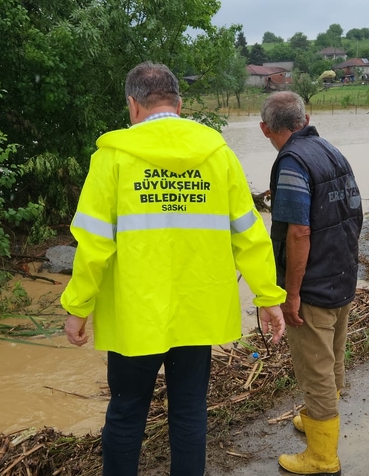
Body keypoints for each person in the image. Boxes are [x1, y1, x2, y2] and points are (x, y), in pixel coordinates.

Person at [61, 61, 286, 476]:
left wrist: (78, 307)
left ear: (133, 105)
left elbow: (93, 245)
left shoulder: (112, 159)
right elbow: (250, 235)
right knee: (188, 413)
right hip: (196, 312)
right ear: (179, 105)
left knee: (127, 413)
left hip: (135, 316)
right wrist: (269, 297)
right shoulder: (218, 155)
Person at [259, 91, 363, 475]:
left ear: (265, 128)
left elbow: (298, 232)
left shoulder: (291, 162)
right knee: (332, 356)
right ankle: (318, 419)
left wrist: (292, 293)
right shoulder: (330, 150)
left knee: (315, 368)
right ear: (305, 119)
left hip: (313, 286)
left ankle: (322, 457)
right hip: (342, 273)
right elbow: (356, 212)